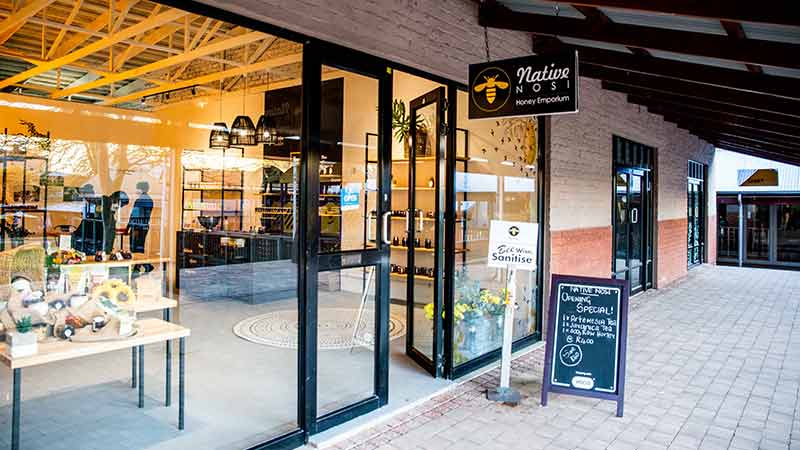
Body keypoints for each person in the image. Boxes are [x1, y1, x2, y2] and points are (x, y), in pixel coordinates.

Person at [127, 181, 153, 254]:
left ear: (141, 189)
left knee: (135, 248)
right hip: (143, 226)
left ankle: (138, 260)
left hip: (137, 227)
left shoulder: (140, 200)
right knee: (140, 247)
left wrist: (128, 227)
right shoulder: (149, 200)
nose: (136, 191)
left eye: (137, 189)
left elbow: (135, 215)